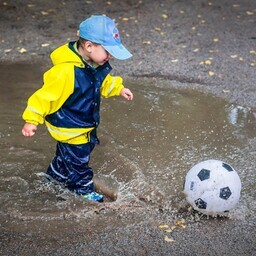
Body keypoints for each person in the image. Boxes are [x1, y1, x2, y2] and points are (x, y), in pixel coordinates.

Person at [21, 15, 133, 202]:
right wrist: (31, 120)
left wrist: (119, 89)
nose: (110, 56)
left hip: (80, 124)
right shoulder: (65, 72)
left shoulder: (94, 64)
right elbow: (44, 96)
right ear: (89, 46)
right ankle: (82, 190)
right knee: (80, 162)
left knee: (66, 156)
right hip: (71, 127)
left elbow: (102, 83)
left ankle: (54, 177)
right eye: (108, 51)